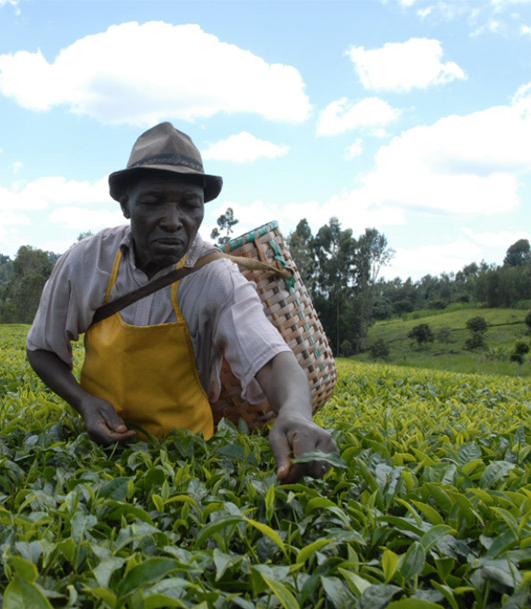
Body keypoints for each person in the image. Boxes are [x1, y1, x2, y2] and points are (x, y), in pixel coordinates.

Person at [26, 122, 338, 483]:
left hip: (185, 462)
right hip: (95, 447)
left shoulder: (215, 277)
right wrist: (83, 402)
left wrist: (296, 413)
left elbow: (271, 358)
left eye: (189, 205)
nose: (174, 222)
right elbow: (42, 348)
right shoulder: (87, 261)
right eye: (153, 202)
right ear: (126, 203)